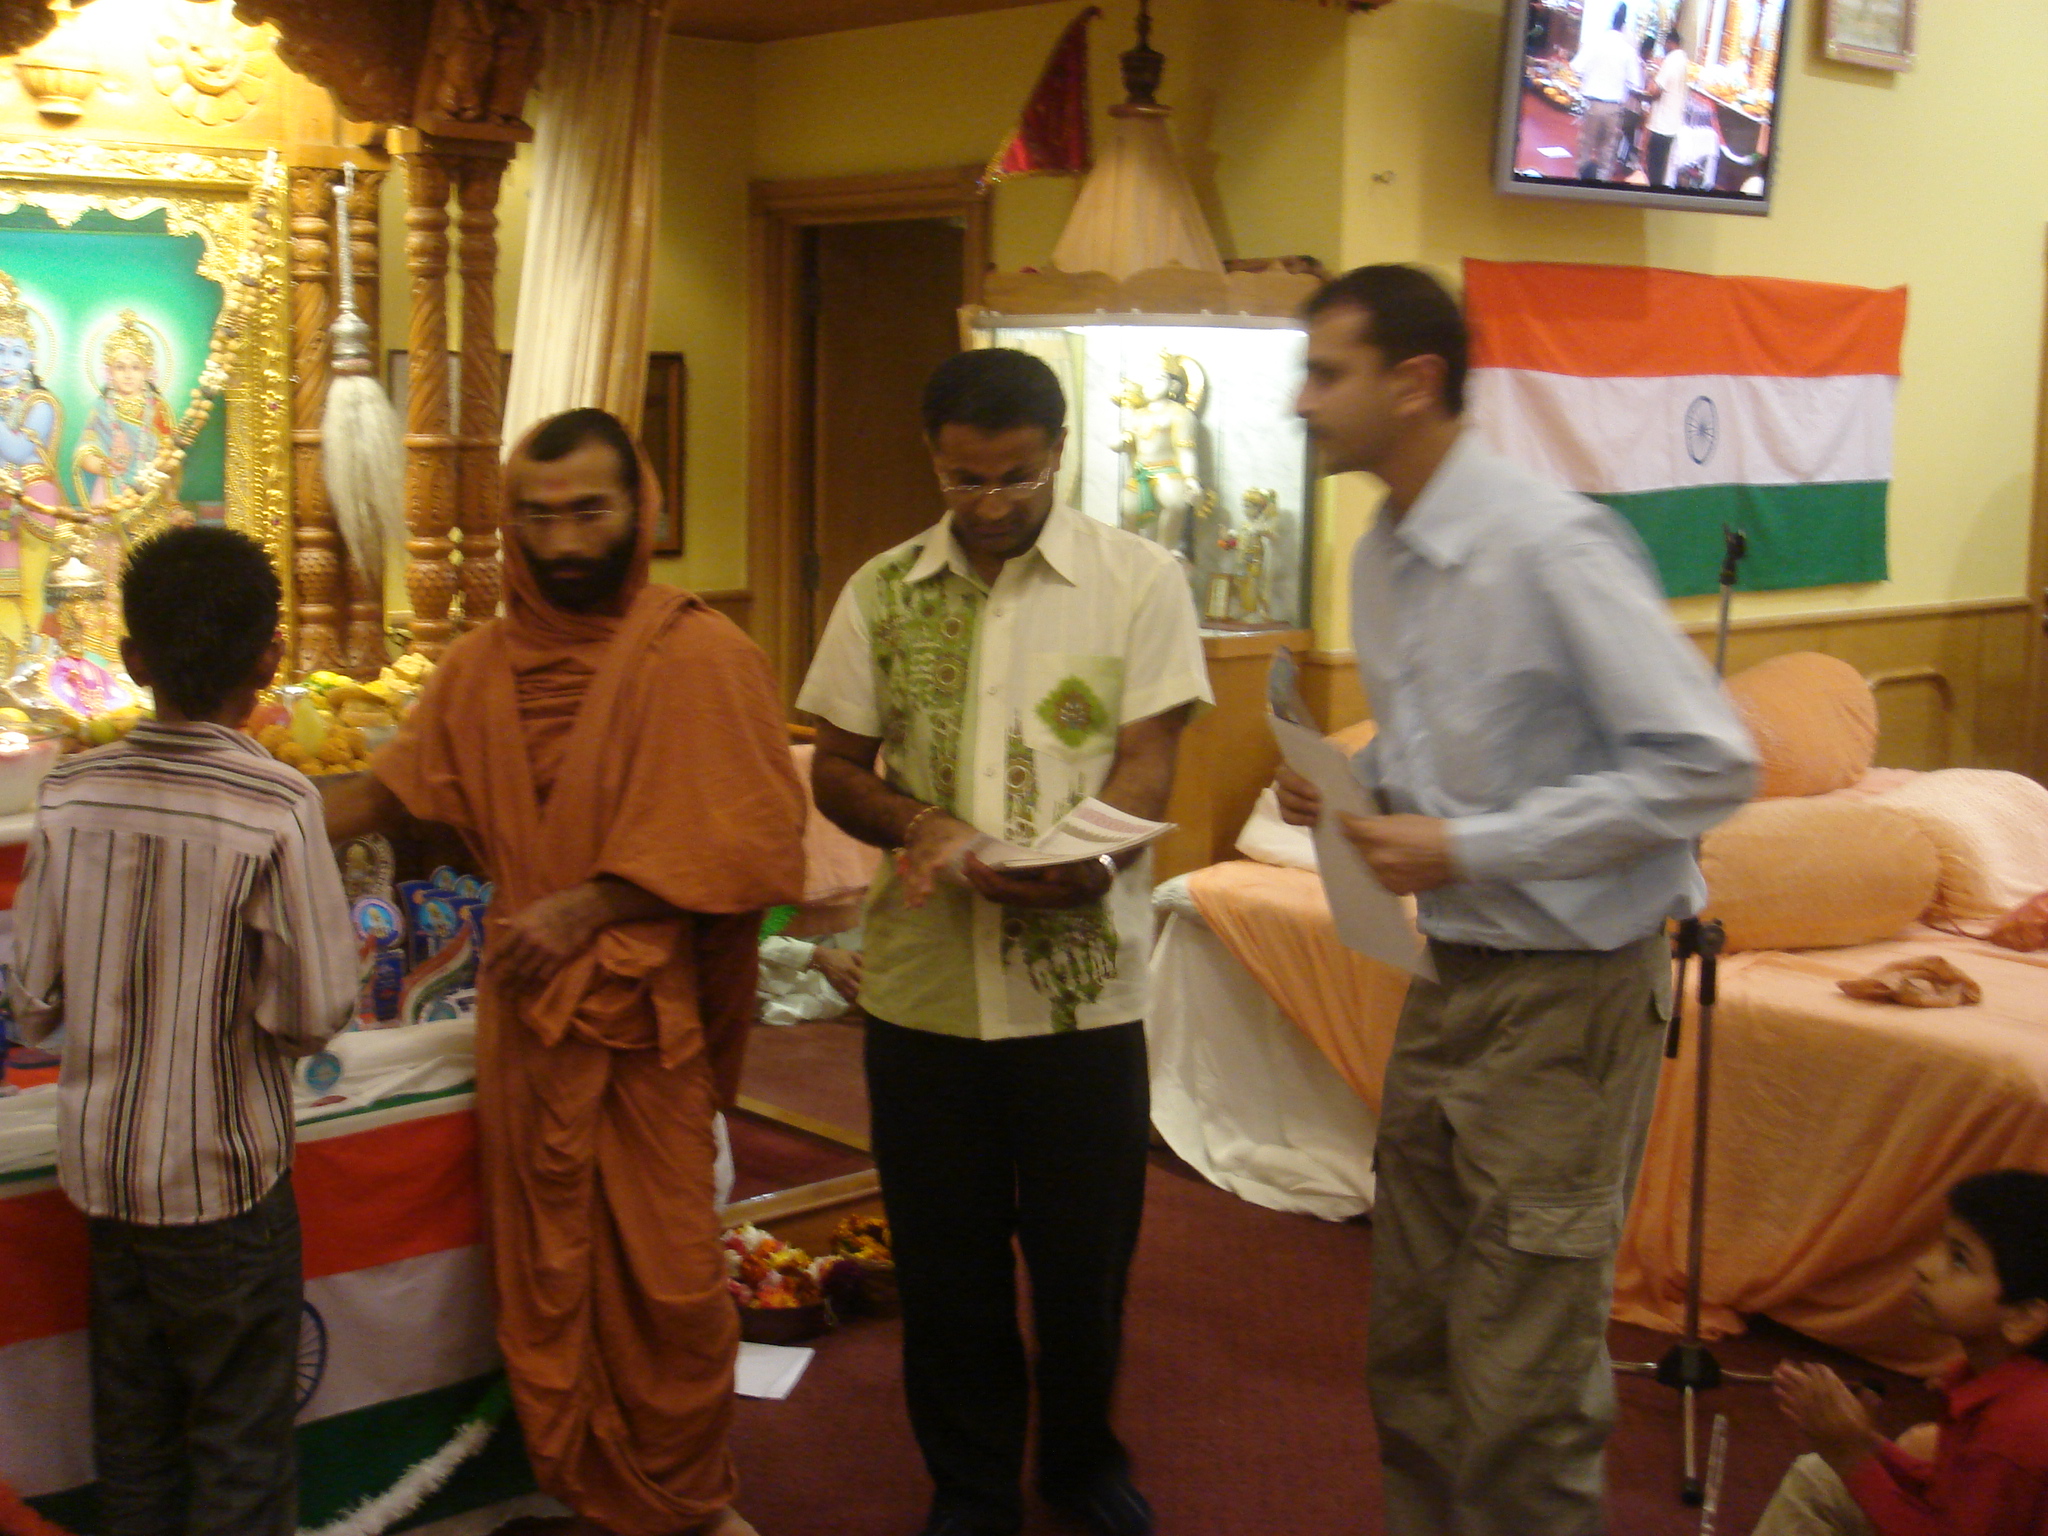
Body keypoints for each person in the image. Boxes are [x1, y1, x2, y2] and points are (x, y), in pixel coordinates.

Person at [1281, 264, 1756, 1534]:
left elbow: (1707, 763)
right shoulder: (1381, 554)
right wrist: (1354, 787)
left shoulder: (1548, 543)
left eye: (1326, 373)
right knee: (1416, 1355)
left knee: (1523, 1379)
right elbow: (1456, 754)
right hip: (1454, 981)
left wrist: (1470, 848)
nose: (1301, 401)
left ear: (1413, 381)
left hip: (1571, 997)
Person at [324, 407, 806, 1536]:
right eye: (537, 516)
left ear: (640, 510)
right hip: (529, 1028)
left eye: (588, 510)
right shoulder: (477, 670)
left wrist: (595, 903)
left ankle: (685, 1499)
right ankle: (589, 1489)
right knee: (548, 1276)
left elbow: (748, 847)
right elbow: (389, 796)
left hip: (647, 1030)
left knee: (670, 1279)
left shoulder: (705, 657)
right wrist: (242, 814)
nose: (563, 540)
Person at [799, 348, 1210, 1536]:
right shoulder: (882, 590)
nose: (988, 505)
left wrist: (1094, 858)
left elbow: (1147, 756)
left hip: (1083, 999)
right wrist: (925, 824)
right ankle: (969, 1488)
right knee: (946, 1267)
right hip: (924, 993)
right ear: (933, 461)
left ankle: (1081, 1462)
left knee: (1084, 1270)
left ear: (1058, 453)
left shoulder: (1137, 581)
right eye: (964, 480)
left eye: (1014, 480)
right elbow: (833, 764)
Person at [8, 526, 358, 1536]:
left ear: (131, 662)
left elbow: (33, 1003)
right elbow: (314, 1005)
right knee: (241, 1445)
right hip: (226, 1185)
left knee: (135, 1438)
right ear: (270, 660)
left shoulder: (70, 795)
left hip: (108, 1186)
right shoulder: (279, 802)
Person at [1755, 1169, 2048, 1535]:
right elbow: (1947, 1492)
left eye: (1960, 1259)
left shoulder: (2015, 1432)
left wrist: (1849, 1455)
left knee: (1825, 1477)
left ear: (2024, 1317)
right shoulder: (1985, 1377)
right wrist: (1861, 1440)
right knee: (1817, 1477)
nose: (1923, 1266)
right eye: (1942, 1245)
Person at [1571, 3, 1645, 182]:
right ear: (1624, 25)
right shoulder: (1628, 50)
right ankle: (1602, 188)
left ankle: (1579, 185)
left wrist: (1590, 76)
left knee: (1586, 150)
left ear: (1610, 21)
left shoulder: (1596, 42)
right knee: (1607, 154)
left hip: (1593, 105)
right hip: (1614, 108)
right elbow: (1637, 82)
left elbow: (1576, 67)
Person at [1645, 27, 1691, 188]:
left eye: (1665, 43)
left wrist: (1653, 72)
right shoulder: (1683, 60)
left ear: (1670, 43)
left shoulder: (1671, 61)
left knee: (1655, 166)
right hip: (1673, 121)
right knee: (1662, 164)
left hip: (1662, 123)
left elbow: (1654, 90)